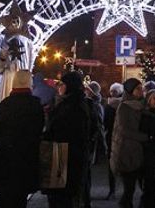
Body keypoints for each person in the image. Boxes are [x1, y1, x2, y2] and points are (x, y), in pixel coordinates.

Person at [0, 69, 44, 208]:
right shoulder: (35, 106)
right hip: (26, 161)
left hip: (4, 162)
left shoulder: (4, 105)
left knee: (5, 200)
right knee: (19, 200)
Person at [43, 71, 93, 208]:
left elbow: (63, 130)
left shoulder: (72, 106)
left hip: (65, 157)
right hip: (68, 156)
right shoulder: (73, 103)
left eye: (63, 84)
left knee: (62, 199)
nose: (60, 87)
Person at [111, 78, 149, 208]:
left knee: (146, 189)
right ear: (130, 91)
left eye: (141, 88)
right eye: (137, 88)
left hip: (143, 152)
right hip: (128, 152)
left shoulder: (145, 105)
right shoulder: (124, 107)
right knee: (129, 189)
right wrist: (145, 137)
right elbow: (124, 130)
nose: (141, 91)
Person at [84, 80, 108, 208]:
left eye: (88, 90)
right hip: (92, 140)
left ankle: (86, 197)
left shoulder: (94, 105)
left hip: (93, 141)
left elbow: (98, 124)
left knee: (86, 170)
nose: (85, 91)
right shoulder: (93, 104)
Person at [104, 82, 124, 200]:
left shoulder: (110, 106)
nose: (112, 93)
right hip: (116, 137)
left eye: (114, 91)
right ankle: (115, 189)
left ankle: (113, 190)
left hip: (113, 137)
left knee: (113, 165)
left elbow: (105, 122)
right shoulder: (124, 105)